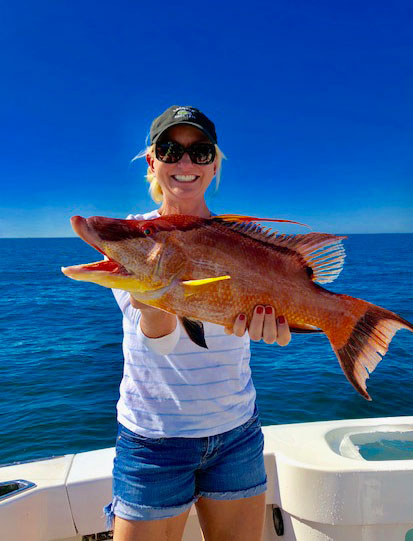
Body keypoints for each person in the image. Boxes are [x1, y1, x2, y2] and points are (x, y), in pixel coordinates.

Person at [104, 105, 291, 541]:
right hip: (154, 440)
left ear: (214, 164)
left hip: (237, 433)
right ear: (153, 162)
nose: (185, 163)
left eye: (200, 151)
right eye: (170, 150)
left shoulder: (240, 238)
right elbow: (161, 342)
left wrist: (287, 325)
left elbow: (273, 299)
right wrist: (155, 305)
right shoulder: (131, 237)